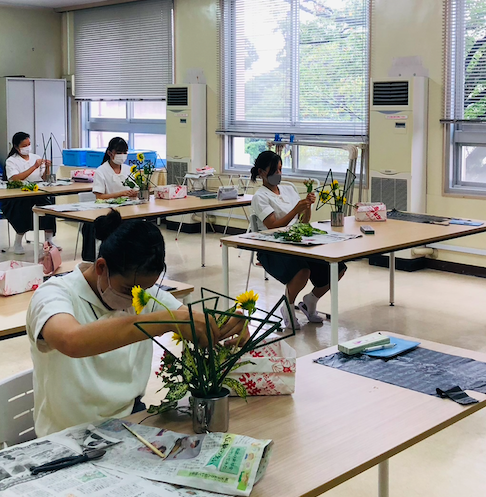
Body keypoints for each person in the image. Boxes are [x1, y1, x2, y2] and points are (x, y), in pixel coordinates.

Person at [26, 210, 244, 436]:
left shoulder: (142, 293)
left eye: (145, 289)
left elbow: (194, 320)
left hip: (129, 421)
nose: (135, 298)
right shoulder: (53, 295)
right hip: (67, 436)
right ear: (101, 267)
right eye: (128, 289)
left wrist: (227, 326)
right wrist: (166, 320)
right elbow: (71, 341)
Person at [249, 151, 346, 330]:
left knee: (337, 267)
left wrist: (306, 207)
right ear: (261, 172)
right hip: (273, 246)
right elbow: (272, 226)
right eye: (274, 170)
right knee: (302, 271)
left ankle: (310, 301)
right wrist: (295, 209)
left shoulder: (288, 189)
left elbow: (304, 222)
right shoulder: (260, 197)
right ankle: (288, 306)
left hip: (297, 241)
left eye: (280, 169)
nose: (278, 174)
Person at [80, 137, 138, 261]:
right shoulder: (101, 171)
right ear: (110, 153)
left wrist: (134, 193)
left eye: (124, 152)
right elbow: (99, 196)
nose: (122, 155)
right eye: (119, 152)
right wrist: (120, 194)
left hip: (127, 209)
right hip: (107, 211)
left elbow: (136, 188)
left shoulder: (128, 169)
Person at [3, 132, 58, 254]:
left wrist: (47, 167)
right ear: (16, 147)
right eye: (24, 145)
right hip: (18, 195)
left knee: (49, 208)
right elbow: (15, 178)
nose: (28, 147)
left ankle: (49, 241)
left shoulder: (35, 157)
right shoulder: (11, 161)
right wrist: (34, 167)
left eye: (29, 144)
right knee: (23, 209)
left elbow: (44, 178)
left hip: (38, 191)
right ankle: (18, 242)